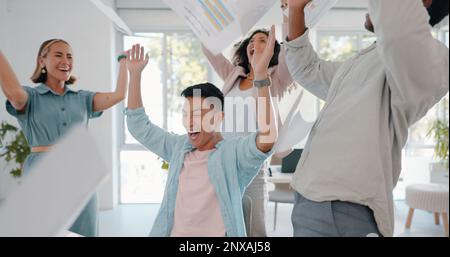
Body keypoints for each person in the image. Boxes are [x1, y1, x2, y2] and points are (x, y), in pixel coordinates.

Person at [284, 0, 449, 237]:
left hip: (345, 210)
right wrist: (295, 9)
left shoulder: (430, 59)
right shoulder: (360, 62)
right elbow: (307, 69)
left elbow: (398, 30)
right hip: (310, 202)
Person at [125, 26, 278, 236]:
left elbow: (267, 138)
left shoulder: (232, 155)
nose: (189, 121)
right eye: (186, 114)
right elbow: (139, 126)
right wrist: (134, 76)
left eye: (197, 114)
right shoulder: (179, 147)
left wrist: (260, 76)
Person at [0, 39, 129, 236]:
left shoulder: (83, 98)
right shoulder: (31, 97)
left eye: (69, 56)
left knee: (84, 232)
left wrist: (124, 64)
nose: (65, 61)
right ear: (42, 61)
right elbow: (15, 97)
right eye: (58, 55)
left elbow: (118, 95)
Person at [201, 0, 294, 237]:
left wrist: (288, 13)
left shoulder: (277, 76)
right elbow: (209, 49)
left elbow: (292, 49)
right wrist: (205, 19)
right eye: (251, 41)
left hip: (251, 166)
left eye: (262, 40)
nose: (255, 43)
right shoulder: (234, 74)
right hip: (221, 162)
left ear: (273, 48)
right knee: (220, 229)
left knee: (253, 231)